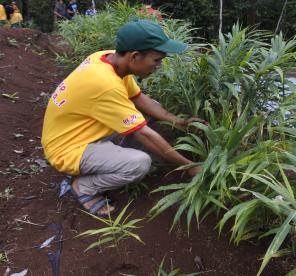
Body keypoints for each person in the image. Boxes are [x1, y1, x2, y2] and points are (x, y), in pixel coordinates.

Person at [41, 20, 204, 216]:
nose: (159, 66)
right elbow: (145, 134)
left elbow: (138, 97)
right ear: (135, 56)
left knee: (152, 111)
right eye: (157, 60)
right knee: (139, 163)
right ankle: (84, 186)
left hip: (74, 134)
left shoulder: (106, 59)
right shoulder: (105, 84)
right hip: (67, 150)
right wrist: (189, 166)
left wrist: (179, 121)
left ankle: (111, 159)